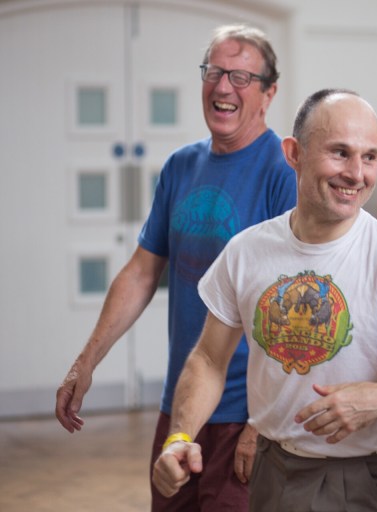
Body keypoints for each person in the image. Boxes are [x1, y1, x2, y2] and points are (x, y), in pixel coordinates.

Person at [151, 89, 377, 512]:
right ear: (294, 153)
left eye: (370, 157)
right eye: (340, 153)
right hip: (271, 464)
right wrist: (180, 436)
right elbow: (209, 359)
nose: (356, 174)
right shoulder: (247, 250)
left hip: (359, 474)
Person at [55, 25, 298, 511]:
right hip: (183, 407)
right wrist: (87, 361)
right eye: (214, 72)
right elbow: (142, 272)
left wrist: (262, 422)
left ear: (269, 93)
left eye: (241, 76)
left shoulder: (282, 172)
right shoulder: (180, 166)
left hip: (245, 414)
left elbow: (292, 308)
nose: (223, 86)